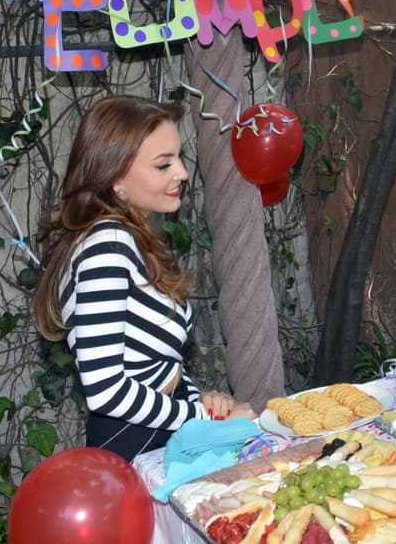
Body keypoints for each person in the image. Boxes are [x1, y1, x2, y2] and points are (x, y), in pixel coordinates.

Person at [32, 96, 253, 461]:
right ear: (115, 178)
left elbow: (149, 365)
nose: (181, 172)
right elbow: (105, 390)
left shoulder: (124, 240)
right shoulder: (107, 246)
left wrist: (200, 398)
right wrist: (200, 418)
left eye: (178, 158)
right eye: (163, 164)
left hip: (155, 430)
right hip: (135, 443)